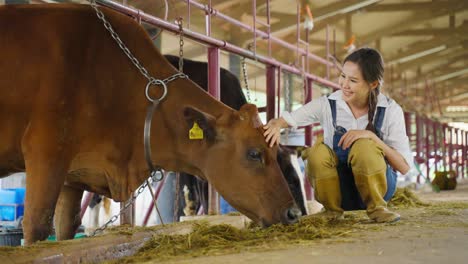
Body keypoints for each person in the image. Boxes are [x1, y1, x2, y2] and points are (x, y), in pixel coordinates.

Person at [263, 47, 412, 223]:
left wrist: (372, 137)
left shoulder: (390, 110)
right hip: (342, 193)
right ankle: (331, 211)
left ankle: (377, 209)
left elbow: (403, 167)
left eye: (353, 80)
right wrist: (275, 125)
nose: (344, 85)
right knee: (317, 151)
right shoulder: (328, 104)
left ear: (373, 84)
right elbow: (289, 119)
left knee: (364, 146)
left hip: (380, 188)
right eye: (343, 76)